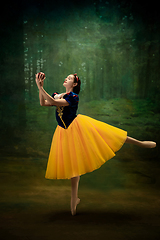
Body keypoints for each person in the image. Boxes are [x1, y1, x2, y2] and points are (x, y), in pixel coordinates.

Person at [35, 72, 156, 216]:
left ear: (74, 84)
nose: (66, 78)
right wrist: (40, 88)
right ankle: (74, 200)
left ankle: (140, 143)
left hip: (77, 127)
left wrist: (40, 87)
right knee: (74, 166)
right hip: (64, 132)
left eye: (70, 78)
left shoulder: (73, 97)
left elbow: (54, 103)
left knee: (109, 134)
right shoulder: (58, 94)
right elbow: (43, 103)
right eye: (66, 77)